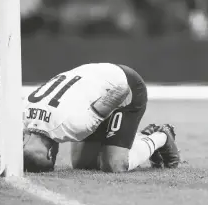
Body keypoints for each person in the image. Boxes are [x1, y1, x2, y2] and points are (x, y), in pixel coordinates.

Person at [22, 63, 180, 172]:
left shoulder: (74, 125)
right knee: (83, 164)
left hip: (124, 85)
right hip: (92, 76)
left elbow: (121, 90)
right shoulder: (21, 115)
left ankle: (160, 136)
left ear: (50, 153)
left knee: (114, 164)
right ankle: (139, 139)